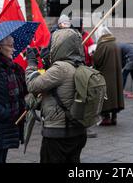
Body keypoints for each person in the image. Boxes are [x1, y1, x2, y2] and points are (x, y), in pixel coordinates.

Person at [25, 28, 87, 163]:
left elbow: (32, 85)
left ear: (59, 45)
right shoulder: (80, 65)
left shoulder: (60, 68)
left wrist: (31, 63)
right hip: (78, 130)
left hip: (58, 133)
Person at [93, 26, 124, 125]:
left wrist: (93, 54)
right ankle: (114, 117)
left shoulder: (102, 45)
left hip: (105, 74)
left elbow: (97, 60)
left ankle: (106, 118)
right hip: (116, 73)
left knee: (107, 95)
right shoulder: (115, 44)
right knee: (115, 94)